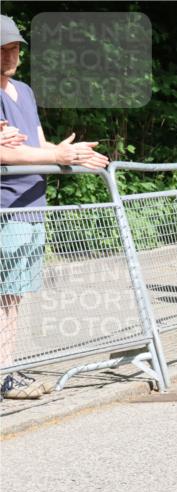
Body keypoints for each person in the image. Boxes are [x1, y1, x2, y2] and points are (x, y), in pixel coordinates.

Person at [1, 14, 109, 399]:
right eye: (5, 47)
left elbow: (39, 146)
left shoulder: (24, 92)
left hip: (33, 205)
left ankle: (6, 369)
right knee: (3, 293)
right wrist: (55, 153)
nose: (12, 53)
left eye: (15, 46)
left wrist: (72, 155)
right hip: (7, 206)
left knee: (13, 294)